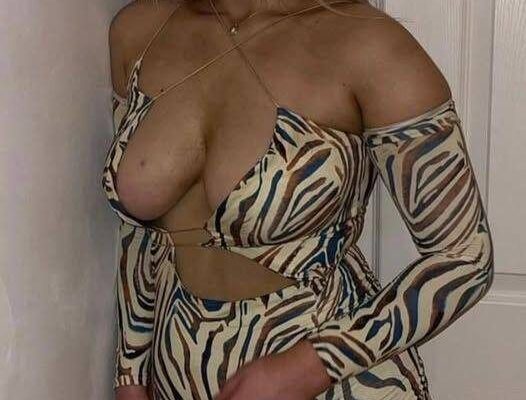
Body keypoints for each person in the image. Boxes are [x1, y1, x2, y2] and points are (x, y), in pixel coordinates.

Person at [102, 0, 495, 399]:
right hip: (178, 371)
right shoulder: (139, 31)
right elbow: (140, 233)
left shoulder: (369, 46)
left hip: (335, 375)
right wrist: (130, 373)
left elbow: (465, 258)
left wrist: (312, 365)